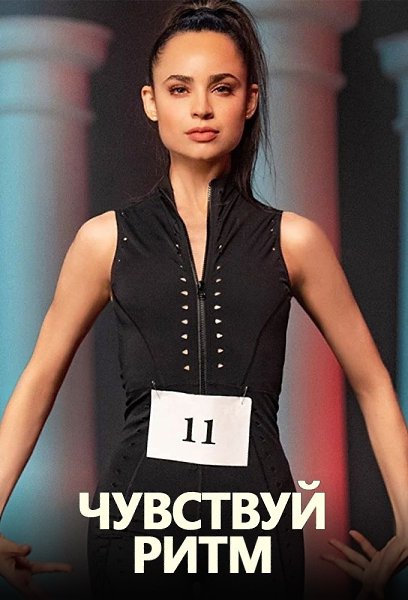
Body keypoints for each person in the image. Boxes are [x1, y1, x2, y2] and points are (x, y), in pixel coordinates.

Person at [0, 1, 407, 599]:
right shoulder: (104, 240)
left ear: (250, 99)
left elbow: (373, 382)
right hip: (137, 521)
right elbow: (38, 379)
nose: (200, 108)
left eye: (222, 87)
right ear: (150, 101)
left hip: (256, 526)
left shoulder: (294, 241)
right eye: (179, 88)